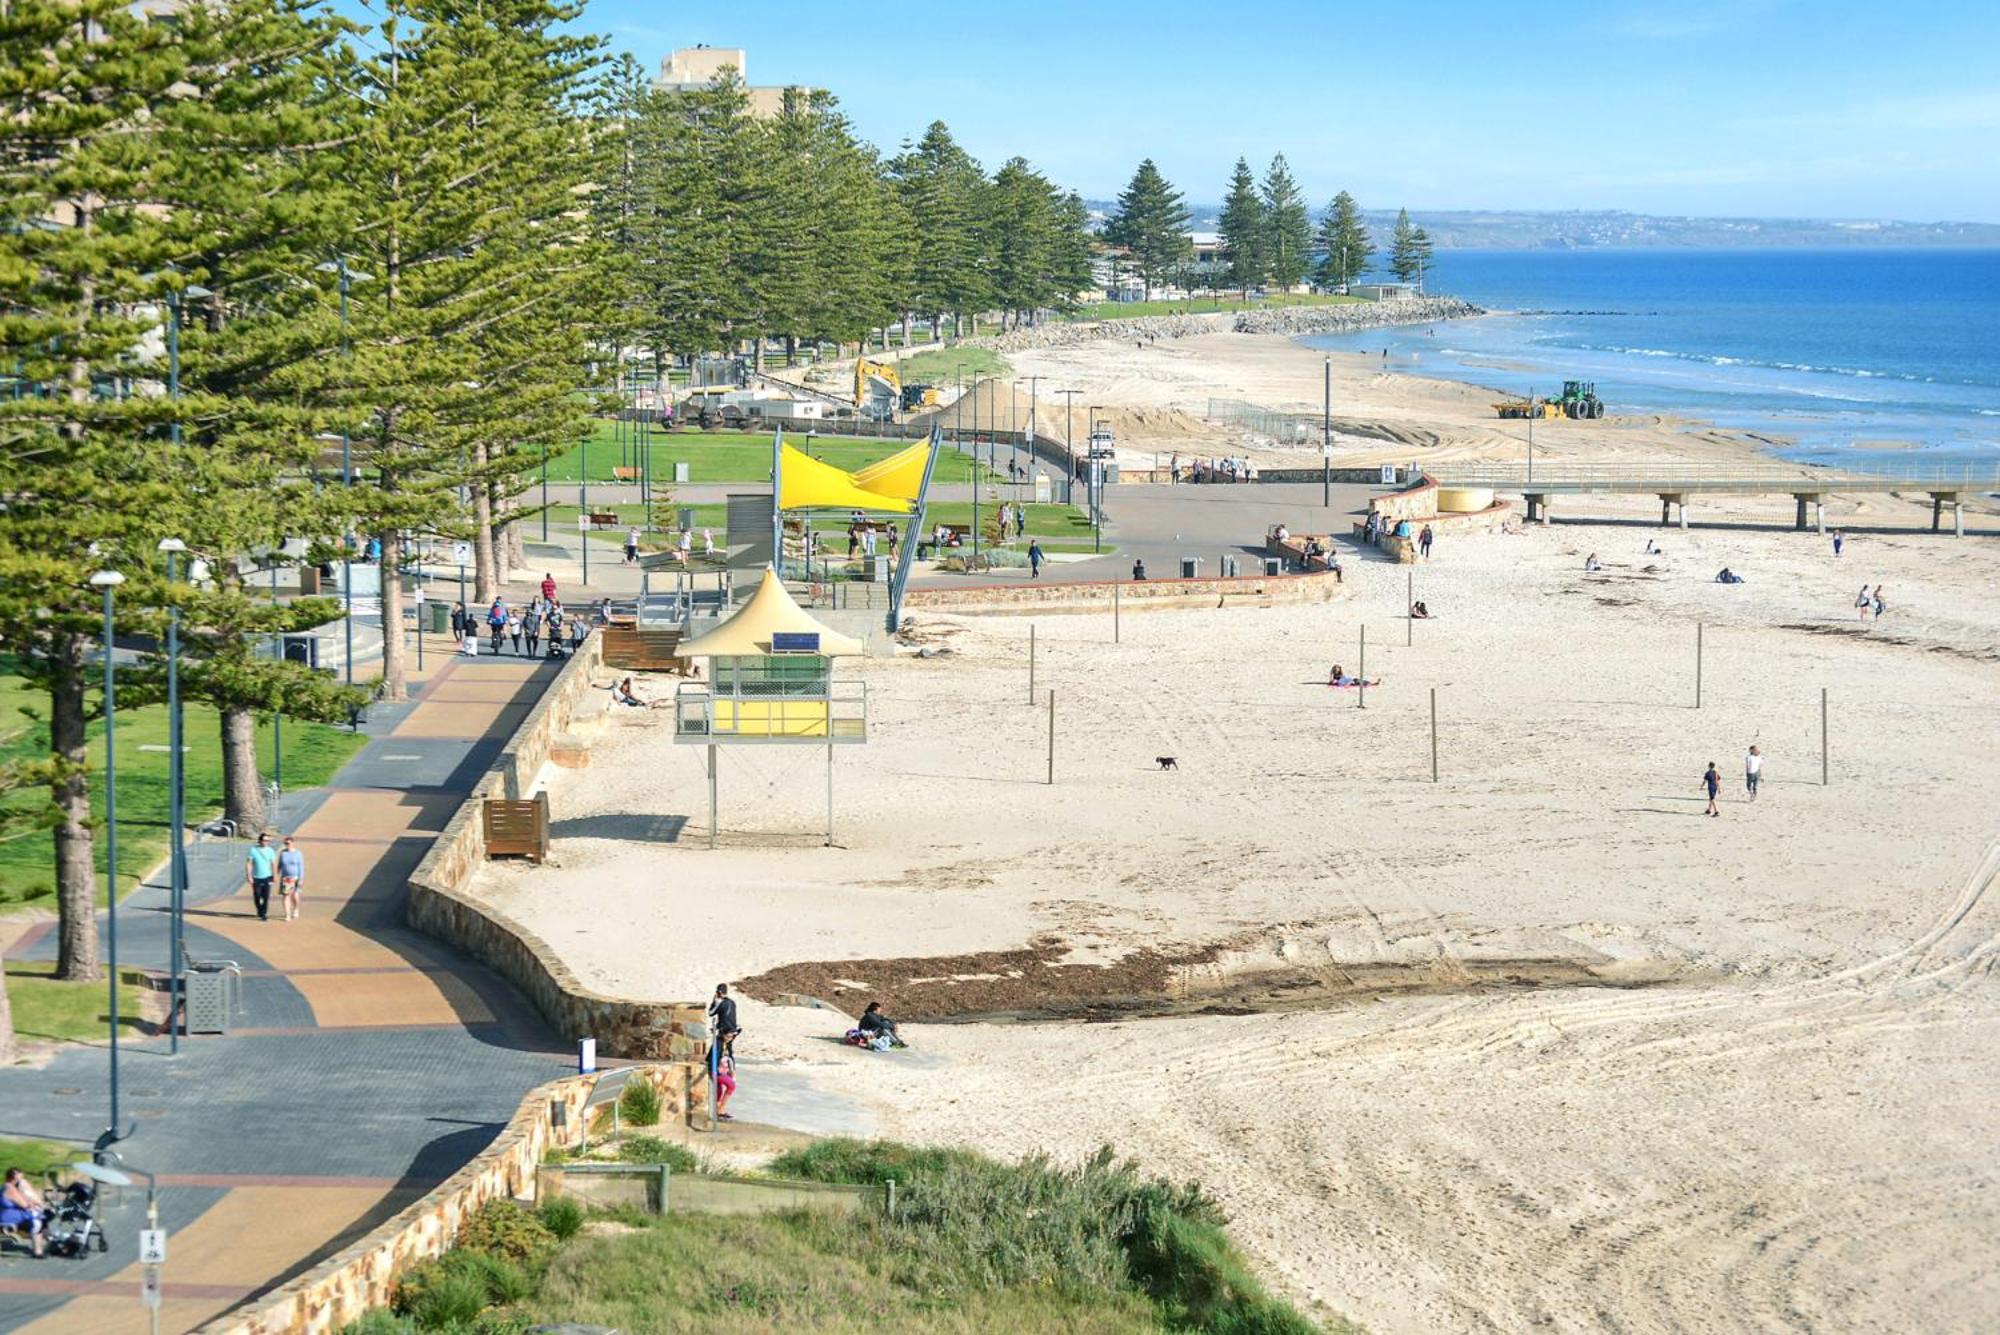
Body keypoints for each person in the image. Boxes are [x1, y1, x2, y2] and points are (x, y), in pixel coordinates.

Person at [1, 1168, 48, 1258]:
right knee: (37, 1218)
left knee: (39, 1215)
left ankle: (48, 1241)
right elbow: (24, 1205)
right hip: (8, 1216)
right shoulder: (10, 1188)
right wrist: (34, 1204)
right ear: (14, 1179)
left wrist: (32, 1203)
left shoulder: (6, 1186)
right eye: (19, 1179)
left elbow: (22, 1202)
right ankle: (38, 1252)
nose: (20, 1182)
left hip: (9, 1213)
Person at [246, 830, 277, 921]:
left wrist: (275, 875)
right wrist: (249, 875)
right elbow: (249, 863)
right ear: (260, 841)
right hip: (256, 877)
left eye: (268, 841)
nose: (266, 842)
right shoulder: (253, 850)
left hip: (267, 876)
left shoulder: (270, 850)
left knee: (266, 896)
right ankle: (259, 909)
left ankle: (264, 913)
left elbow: (273, 864)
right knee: (257, 895)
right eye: (264, 840)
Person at [707, 983, 740, 1056]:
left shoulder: (720, 1002)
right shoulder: (732, 1002)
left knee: (715, 1052)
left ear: (719, 992)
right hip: (733, 1030)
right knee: (729, 1051)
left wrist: (714, 1002)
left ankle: (713, 1065)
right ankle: (731, 1065)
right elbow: (727, 1016)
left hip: (725, 1030)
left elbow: (711, 1013)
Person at [278, 834, 305, 922]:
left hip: (296, 877)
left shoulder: (298, 853)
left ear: (293, 843)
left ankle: (296, 908)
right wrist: (276, 874)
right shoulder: (283, 853)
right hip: (286, 878)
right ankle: (287, 915)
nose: (287, 845)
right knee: (286, 895)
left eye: (288, 843)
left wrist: (301, 879)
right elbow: (280, 865)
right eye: (285, 843)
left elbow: (301, 867)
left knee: (295, 895)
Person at [713, 1052, 736, 1120]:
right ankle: (721, 1109)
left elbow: (731, 1062)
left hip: (723, 1072)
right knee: (731, 1085)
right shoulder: (718, 1044)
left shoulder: (728, 1046)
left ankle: (719, 1110)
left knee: (719, 1090)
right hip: (717, 1073)